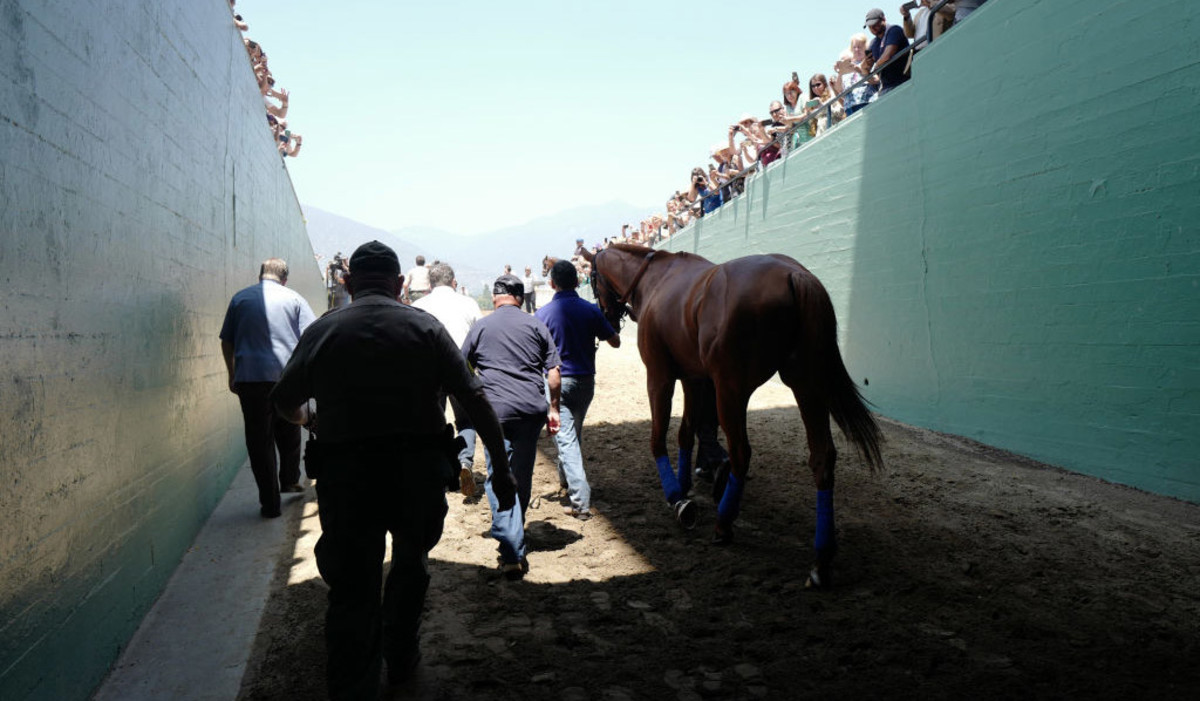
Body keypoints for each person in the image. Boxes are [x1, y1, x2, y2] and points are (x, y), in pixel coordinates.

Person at [270, 241, 517, 697]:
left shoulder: (323, 331)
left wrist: (310, 418)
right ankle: (401, 660)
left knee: (352, 585)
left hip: (348, 479)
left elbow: (284, 401)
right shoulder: (425, 328)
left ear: (346, 282)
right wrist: (501, 469)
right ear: (400, 283)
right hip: (416, 476)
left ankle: (353, 682)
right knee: (411, 565)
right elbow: (475, 399)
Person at [461, 274, 561, 576]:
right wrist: (554, 408)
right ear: (519, 297)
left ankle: (510, 549)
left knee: (497, 476)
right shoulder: (535, 324)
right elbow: (554, 374)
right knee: (522, 474)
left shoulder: (480, 326)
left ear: (494, 298)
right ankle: (514, 534)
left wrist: (475, 392)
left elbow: (462, 365)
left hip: (495, 414)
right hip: (531, 411)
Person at [219, 258, 316, 518]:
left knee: (259, 440)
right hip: (286, 377)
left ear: (260, 275)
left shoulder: (240, 299)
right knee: (290, 427)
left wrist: (232, 373)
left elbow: (226, 340)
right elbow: (311, 338)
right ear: (284, 278)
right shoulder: (294, 299)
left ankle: (270, 504)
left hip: (250, 379)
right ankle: (289, 479)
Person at [535, 260, 620, 520]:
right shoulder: (590, 310)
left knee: (566, 438)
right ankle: (565, 479)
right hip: (585, 381)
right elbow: (615, 342)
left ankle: (580, 501)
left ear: (552, 284)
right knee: (572, 432)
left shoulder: (543, 314)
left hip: (556, 382)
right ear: (576, 282)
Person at [413, 262, 484, 495]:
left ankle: (439, 471)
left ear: (429, 284)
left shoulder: (418, 306)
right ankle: (464, 463)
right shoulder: (468, 303)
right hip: (462, 368)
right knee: (466, 421)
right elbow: (478, 337)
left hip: (428, 372)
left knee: (433, 421)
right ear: (453, 281)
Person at [861, 8, 912, 96]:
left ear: (883, 20)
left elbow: (888, 55)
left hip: (903, 81)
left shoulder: (894, 30)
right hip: (886, 88)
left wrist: (876, 67)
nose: (873, 28)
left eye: (875, 24)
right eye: (869, 26)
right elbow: (866, 68)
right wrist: (865, 68)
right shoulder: (873, 43)